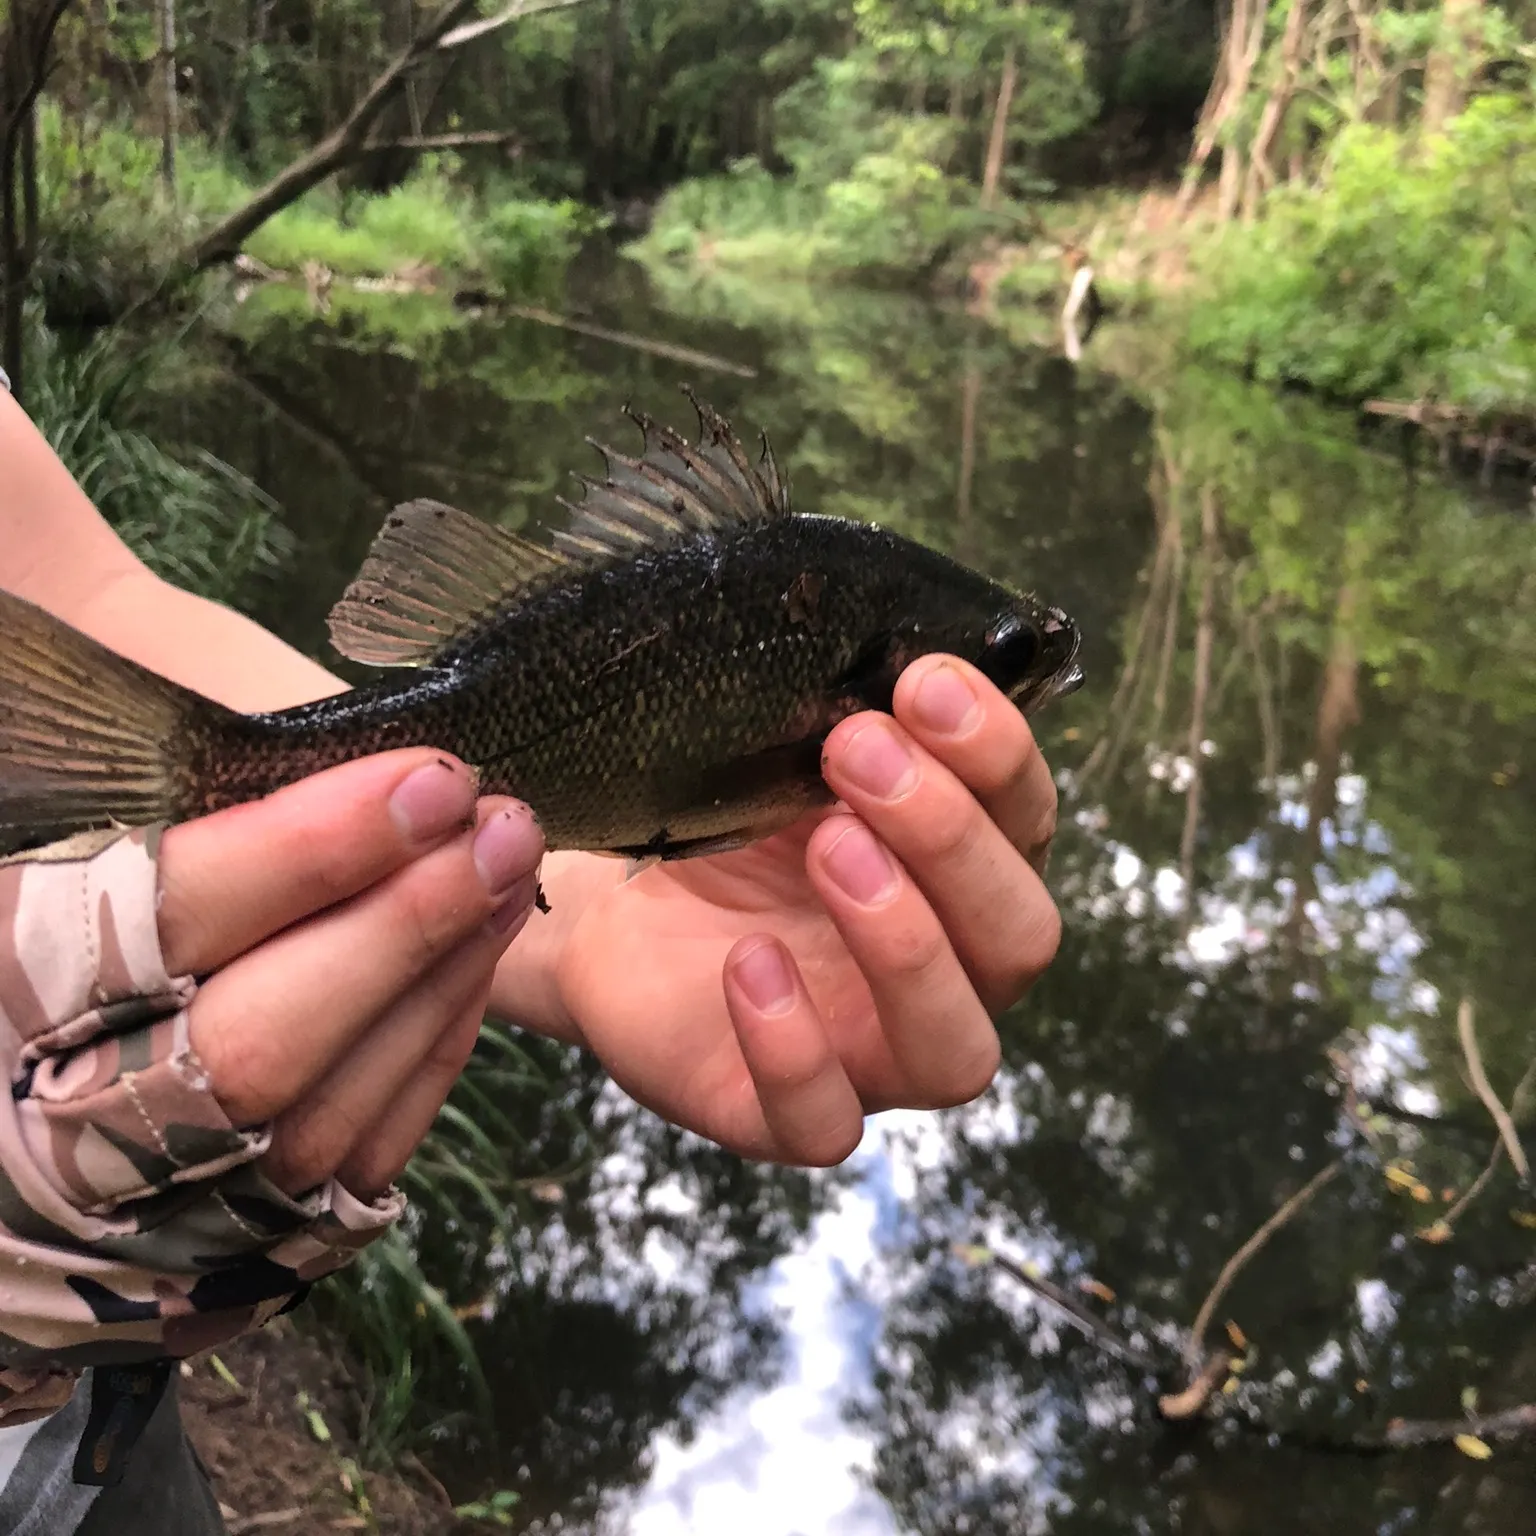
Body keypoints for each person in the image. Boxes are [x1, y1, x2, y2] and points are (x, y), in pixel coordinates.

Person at [0, 374, 1063, 1532]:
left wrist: (588, 930)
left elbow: (86, 588)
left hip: (93, 1446)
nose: (1029, 662)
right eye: (1007, 650)